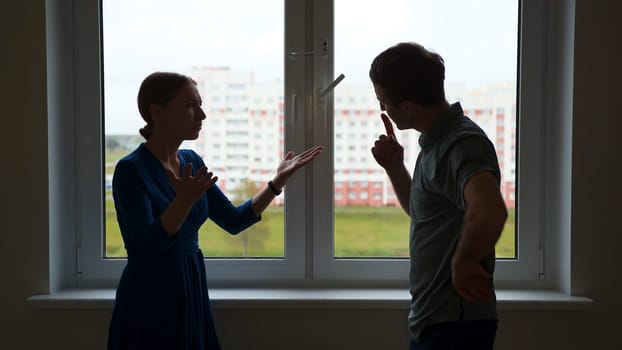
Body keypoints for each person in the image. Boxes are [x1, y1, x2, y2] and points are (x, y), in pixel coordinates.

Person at [107, 71, 323, 349]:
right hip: (151, 295)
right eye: (190, 106)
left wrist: (277, 181)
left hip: (190, 286)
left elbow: (235, 221)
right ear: (157, 113)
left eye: (200, 104)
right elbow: (143, 251)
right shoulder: (131, 170)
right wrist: (182, 202)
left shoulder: (191, 161)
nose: (202, 115)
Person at [369, 42, 508, 349]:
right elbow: (424, 213)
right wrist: (394, 167)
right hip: (435, 321)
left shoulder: (461, 144)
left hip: (456, 325)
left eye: (384, 102)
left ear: (406, 107)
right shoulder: (436, 142)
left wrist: (464, 261)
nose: (384, 111)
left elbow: (490, 211)